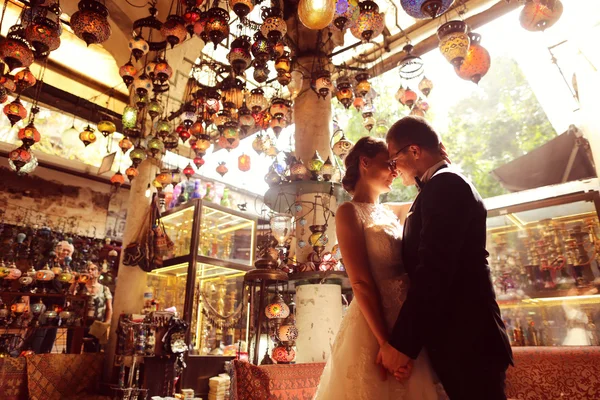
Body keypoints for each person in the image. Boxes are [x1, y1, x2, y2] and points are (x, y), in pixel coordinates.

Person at [378, 116, 513, 399]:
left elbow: (434, 271)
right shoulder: (438, 187)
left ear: (414, 151)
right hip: (456, 341)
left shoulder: (446, 185)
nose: (394, 170)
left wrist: (403, 345)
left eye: (394, 160)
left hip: (469, 343)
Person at [314, 136, 446, 399]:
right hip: (373, 323)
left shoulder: (391, 212)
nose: (396, 171)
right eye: (389, 164)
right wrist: (386, 344)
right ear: (365, 162)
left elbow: (432, 201)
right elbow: (361, 282)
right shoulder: (348, 212)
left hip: (408, 320)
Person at [68, 262, 113, 352]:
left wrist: (106, 324)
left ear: (99, 273)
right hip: (78, 323)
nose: (90, 271)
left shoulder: (104, 289)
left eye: (93, 269)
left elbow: (109, 308)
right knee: (73, 350)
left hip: (96, 324)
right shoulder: (80, 287)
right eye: (88, 269)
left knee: (92, 352)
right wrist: (76, 281)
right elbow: (70, 297)